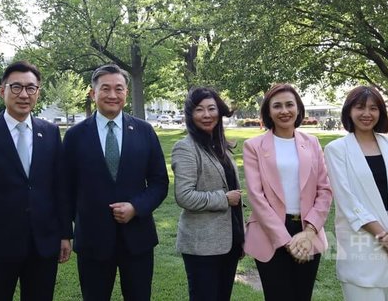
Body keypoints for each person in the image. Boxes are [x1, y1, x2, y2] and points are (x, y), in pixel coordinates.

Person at [0, 61, 71, 301]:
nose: (24, 94)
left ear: (38, 92)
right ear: (2, 91)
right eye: (16, 87)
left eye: (31, 88)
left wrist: (65, 234)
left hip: (43, 245)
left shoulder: (50, 133)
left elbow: (59, 188)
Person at [63, 63, 169, 301]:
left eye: (119, 89)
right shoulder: (74, 136)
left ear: (126, 93)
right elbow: (65, 189)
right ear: (93, 93)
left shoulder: (144, 131)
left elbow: (159, 182)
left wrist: (136, 207)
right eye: (106, 88)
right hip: (92, 240)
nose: (113, 95)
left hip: (137, 238)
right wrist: (67, 230)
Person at [324, 86, 388, 301]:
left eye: (373, 108)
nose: (367, 113)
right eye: (360, 107)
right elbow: (347, 201)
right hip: (362, 244)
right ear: (349, 111)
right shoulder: (337, 149)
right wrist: (382, 235)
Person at [242, 83, 332, 301]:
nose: (284, 111)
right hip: (269, 232)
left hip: (308, 230)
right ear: (268, 111)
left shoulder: (312, 143)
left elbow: (325, 190)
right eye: (277, 106)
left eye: (289, 104)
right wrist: (287, 241)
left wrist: (309, 232)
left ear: (298, 109)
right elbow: (256, 196)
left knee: (302, 296)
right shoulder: (253, 146)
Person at [171, 87, 243, 301]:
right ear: (190, 115)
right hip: (201, 246)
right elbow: (184, 196)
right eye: (199, 109)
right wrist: (224, 199)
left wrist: (241, 234)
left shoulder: (221, 146)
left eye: (211, 108)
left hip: (229, 242)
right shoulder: (185, 148)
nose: (206, 114)